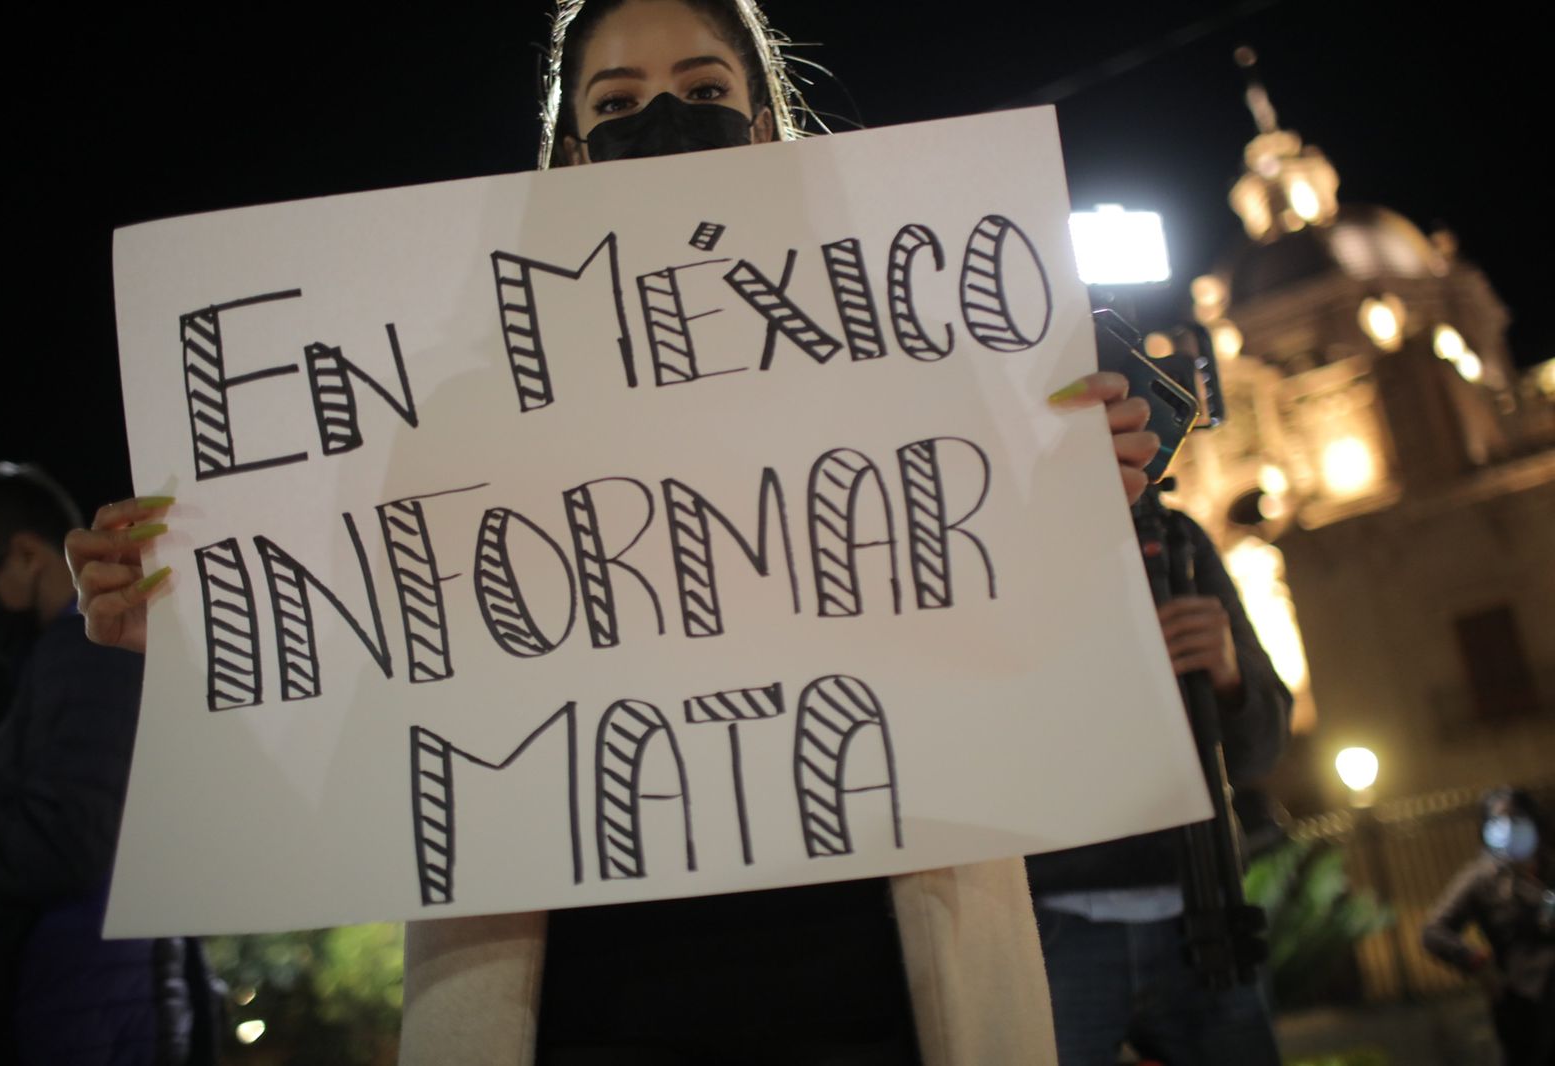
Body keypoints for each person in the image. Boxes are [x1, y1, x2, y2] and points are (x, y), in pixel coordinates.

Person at [67, 2, 1165, 1063]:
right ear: (576, 153)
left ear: (765, 123)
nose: (666, 122)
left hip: (879, 986)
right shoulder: (464, 416)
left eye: (702, 90)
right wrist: (203, 630)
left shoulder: (909, 376)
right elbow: (387, 698)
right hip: (579, 1006)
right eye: (620, 101)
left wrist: (1060, 521)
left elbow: (1009, 663)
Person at [0, 462, 217, 1066]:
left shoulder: (90, 650)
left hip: (92, 1008)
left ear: (25, 555)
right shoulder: (74, 654)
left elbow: (67, 835)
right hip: (99, 1000)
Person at [1026, 487, 1292, 1066]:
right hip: (1046, 923)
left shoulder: (1175, 540)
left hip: (1201, 913)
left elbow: (1260, 751)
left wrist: (1226, 672)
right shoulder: (984, 538)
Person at [1422, 787, 1555, 1066]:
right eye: (1497, 820)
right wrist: (1476, 962)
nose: (1508, 828)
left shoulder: (1549, 866)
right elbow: (1434, 932)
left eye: (1516, 818)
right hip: (1525, 1004)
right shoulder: (1482, 879)